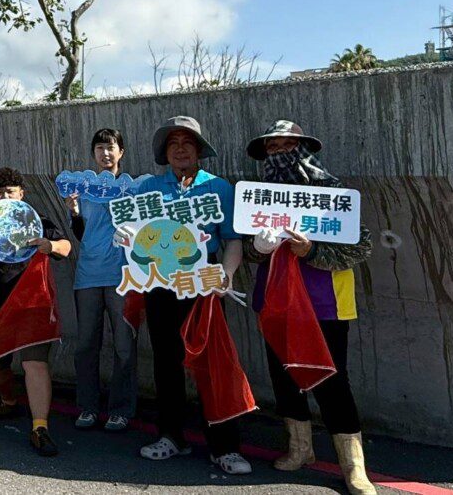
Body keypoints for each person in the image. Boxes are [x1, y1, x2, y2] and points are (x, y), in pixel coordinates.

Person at [245, 120, 376, 495]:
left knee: (333, 382)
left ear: (304, 149)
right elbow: (250, 250)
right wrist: (261, 249)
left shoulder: (333, 193)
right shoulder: (259, 199)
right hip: (275, 301)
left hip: (326, 303)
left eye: (287, 146)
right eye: (271, 149)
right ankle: (299, 448)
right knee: (284, 377)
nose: (279, 154)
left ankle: (354, 466)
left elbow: (360, 248)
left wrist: (313, 250)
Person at [135, 116, 251, 475]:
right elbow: (135, 235)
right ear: (165, 152)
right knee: (166, 361)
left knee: (212, 362)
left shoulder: (219, 188)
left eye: (188, 141)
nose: (181, 148)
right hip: (159, 280)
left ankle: (224, 446)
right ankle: (171, 435)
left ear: (199, 149)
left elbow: (232, 239)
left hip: (205, 280)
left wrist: (226, 275)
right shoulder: (149, 188)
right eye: (173, 143)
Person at [0, 167, 70, 456]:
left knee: (34, 364)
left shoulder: (36, 222)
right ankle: (9, 402)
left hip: (31, 305)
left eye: (10, 191)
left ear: (21, 194)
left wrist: (51, 245)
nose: (4, 197)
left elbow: (65, 247)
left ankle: (40, 427)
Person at [65, 128, 138, 431]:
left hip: (124, 276)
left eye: (111, 148)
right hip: (88, 275)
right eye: (99, 148)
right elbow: (82, 235)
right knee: (85, 345)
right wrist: (74, 213)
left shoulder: (133, 188)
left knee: (124, 345)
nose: (105, 154)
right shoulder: (83, 188)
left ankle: (121, 409)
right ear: (92, 154)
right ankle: (88, 406)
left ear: (121, 151)